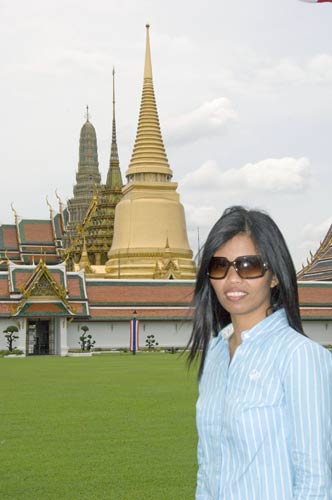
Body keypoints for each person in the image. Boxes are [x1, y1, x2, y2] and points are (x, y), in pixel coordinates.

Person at [188, 206, 332, 500]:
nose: (233, 279)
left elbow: (315, 480)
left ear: (274, 276)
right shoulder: (215, 355)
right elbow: (207, 468)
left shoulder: (300, 357)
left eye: (248, 266)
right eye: (219, 266)